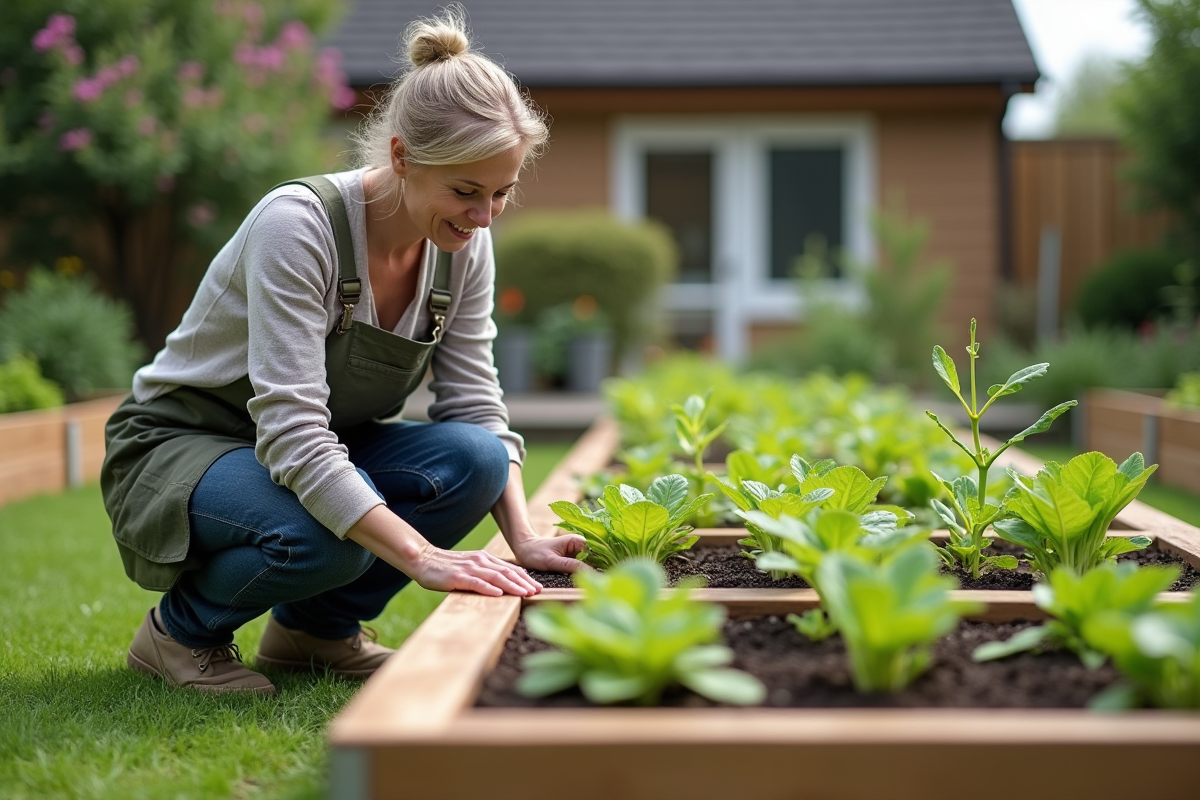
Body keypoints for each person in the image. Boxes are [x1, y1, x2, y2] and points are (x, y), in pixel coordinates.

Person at [100, 8, 585, 696]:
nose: (484, 217)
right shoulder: (297, 228)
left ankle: (315, 633)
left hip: (302, 450)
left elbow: (477, 406)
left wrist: (524, 536)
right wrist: (421, 557)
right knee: (324, 534)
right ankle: (180, 633)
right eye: (466, 191)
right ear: (400, 157)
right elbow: (294, 434)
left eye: (501, 192)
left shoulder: (462, 246)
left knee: (474, 461)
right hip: (182, 446)